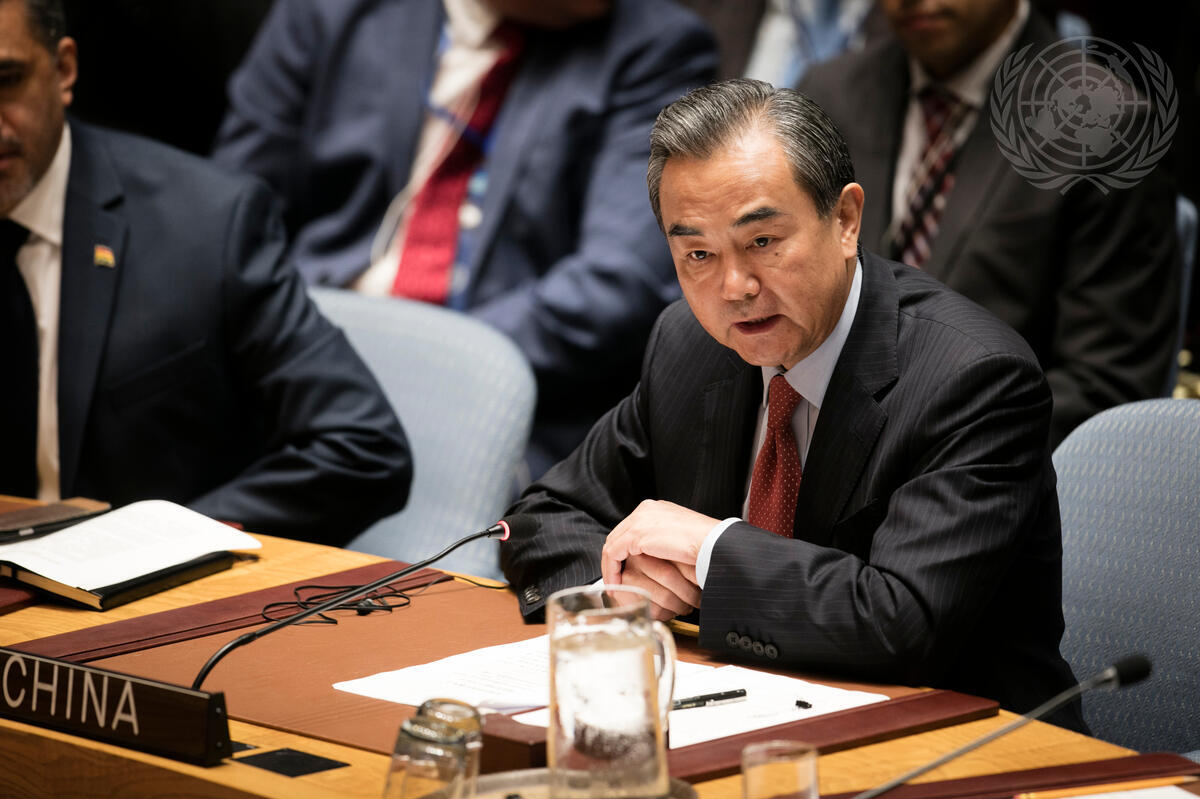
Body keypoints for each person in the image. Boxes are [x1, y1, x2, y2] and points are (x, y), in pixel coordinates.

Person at [501, 79, 1082, 728]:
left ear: (845, 221)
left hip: (963, 743)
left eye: (763, 242)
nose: (734, 288)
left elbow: (903, 622)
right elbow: (545, 514)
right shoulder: (690, 344)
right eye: (698, 253)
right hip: (736, 716)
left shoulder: (973, 379)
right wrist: (618, 593)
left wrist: (712, 553)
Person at [211, 0, 717, 478]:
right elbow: (231, 222)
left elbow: (618, 283)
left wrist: (426, 363)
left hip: (498, 406)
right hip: (297, 364)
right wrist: (301, 354)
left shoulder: (656, 46)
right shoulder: (333, 12)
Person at [0, 0, 412, 545]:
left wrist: (162, 539)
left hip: (151, 584)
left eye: (6, 80)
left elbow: (362, 447)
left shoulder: (207, 226)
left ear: (64, 69)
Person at [799, 0, 1179, 447]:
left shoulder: (1107, 126)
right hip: (819, 444)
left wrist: (925, 454)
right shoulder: (829, 94)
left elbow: (1104, 383)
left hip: (991, 460)